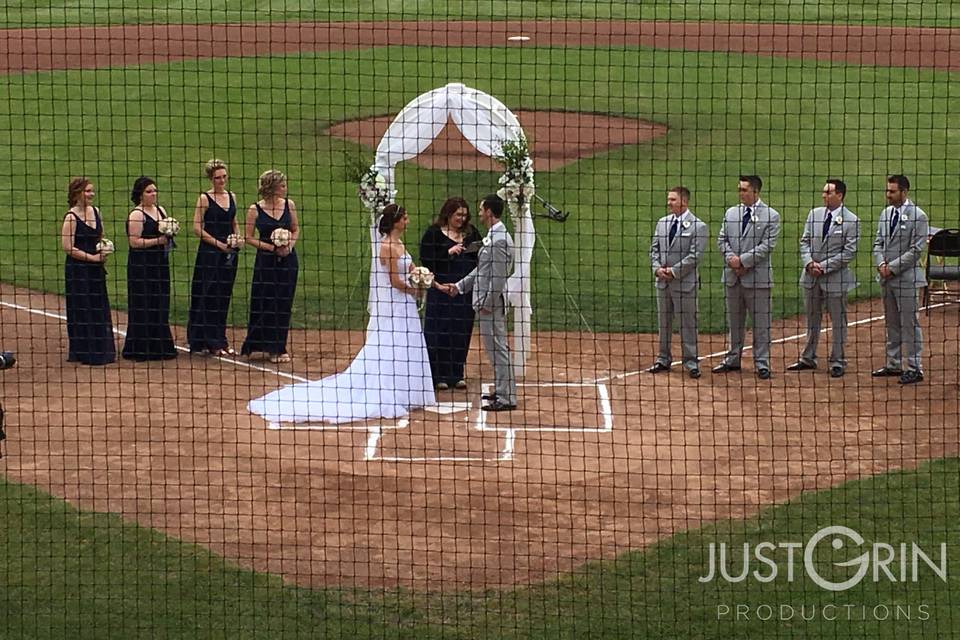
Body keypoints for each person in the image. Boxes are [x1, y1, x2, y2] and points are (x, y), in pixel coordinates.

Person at [248, 204, 435, 424]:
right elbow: (394, 281)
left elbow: (412, 269)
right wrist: (415, 289)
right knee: (391, 342)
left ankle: (407, 390)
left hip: (406, 304)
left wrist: (426, 279)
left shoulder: (399, 243)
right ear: (395, 221)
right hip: (397, 303)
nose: (408, 221)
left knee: (408, 342)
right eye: (405, 218)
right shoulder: (386, 246)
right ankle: (390, 389)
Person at [440, 194, 517, 411]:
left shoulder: (500, 240)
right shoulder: (494, 236)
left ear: (490, 212)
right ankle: (503, 391)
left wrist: (487, 303)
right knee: (494, 350)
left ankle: (507, 398)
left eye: (482, 210)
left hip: (489, 305)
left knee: (498, 349)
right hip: (486, 303)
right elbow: (482, 271)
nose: (480, 214)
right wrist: (460, 286)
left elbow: (499, 278)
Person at [787, 179, 860, 378]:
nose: (824, 196)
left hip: (835, 279)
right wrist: (809, 262)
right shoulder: (814, 214)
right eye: (824, 192)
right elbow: (804, 241)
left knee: (838, 321)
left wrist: (824, 267)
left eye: (828, 193)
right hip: (811, 277)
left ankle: (838, 360)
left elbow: (849, 252)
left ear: (840, 195)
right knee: (812, 319)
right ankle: (807, 358)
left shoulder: (852, 220)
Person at [714, 175, 781, 379]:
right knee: (734, 321)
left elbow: (767, 246)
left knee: (761, 323)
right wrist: (731, 260)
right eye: (739, 189)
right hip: (733, 277)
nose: (741, 193)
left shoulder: (771, 215)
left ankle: (762, 362)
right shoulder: (731, 212)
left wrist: (742, 261)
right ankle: (732, 359)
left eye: (744, 190)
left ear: (755, 192)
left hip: (757, 279)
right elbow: (721, 239)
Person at [419, 197, 482, 390]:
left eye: (464, 215)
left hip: (463, 293)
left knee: (460, 331)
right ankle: (437, 376)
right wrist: (448, 252)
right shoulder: (434, 234)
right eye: (458, 215)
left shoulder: (471, 234)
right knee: (438, 332)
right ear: (448, 214)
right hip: (441, 291)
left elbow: (481, 258)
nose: (461, 219)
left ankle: (456, 373)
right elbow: (426, 260)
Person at [646, 186, 709, 379]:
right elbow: (654, 249)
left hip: (684, 284)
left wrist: (673, 272)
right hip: (663, 283)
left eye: (673, 199)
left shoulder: (699, 226)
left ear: (684, 201)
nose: (669, 203)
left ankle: (691, 362)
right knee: (663, 323)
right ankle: (663, 359)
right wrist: (657, 268)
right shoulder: (662, 223)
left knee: (687, 324)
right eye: (669, 199)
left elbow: (695, 256)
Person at [872, 174, 929, 384]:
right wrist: (880, 265)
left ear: (904, 192)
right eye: (887, 191)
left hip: (906, 279)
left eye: (892, 191)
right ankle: (893, 363)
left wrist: (892, 268)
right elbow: (877, 243)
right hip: (886, 277)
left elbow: (916, 250)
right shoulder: (886, 213)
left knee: (909, 323)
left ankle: (915, 367)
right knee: (892, 323)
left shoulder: (919, 216)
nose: (888, 195)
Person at [241, 170, 300, 363]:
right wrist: (271, 248)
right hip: (266, 262)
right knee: (263, 299)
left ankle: (278, 348)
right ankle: (256, 343)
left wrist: (288, 245)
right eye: (282, 185)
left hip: (288, 261)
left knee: (283, 302)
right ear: (273, 188)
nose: (285, 188)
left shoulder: (289, 205)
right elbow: (248, 237)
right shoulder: (255, 209)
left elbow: (295, 229)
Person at [187, 159, 241, 356]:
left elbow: (234, 222)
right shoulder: (204, 199)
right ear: (211, 178)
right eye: (218, 178)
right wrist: (219, 245)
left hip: (230, 253)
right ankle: (206, 340)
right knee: (208, 295)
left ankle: (221, 339)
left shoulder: (232, 196)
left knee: (223, 295)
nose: (222, 181)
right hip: (210, 254)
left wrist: (237, 238)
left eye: (224, 177)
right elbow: (197, 228)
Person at [60, 178, 116, 365]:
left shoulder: (96, 212)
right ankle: (84, 350)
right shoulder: (71, 217)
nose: (91, 194)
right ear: (77, 194)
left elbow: (100, 237)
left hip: (96, 268)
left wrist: (104, 248)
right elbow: (68, 247)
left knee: (98, 305)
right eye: (87, 191)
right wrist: (91, 258)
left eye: (92, 191)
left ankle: (101, 347)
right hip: (78, 270)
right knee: (82, 306)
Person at [121, 176, 177, 361]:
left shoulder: (160, 210)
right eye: (149, 191)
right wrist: (158, 241)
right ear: (140, 195)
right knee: (143, 302)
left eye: (154, 191)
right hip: (141, 266)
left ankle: (160, 345)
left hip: (159, 265)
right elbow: (134, 242)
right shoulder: (136, 215)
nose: (153, 194)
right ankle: (142, 348)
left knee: (160, 301)